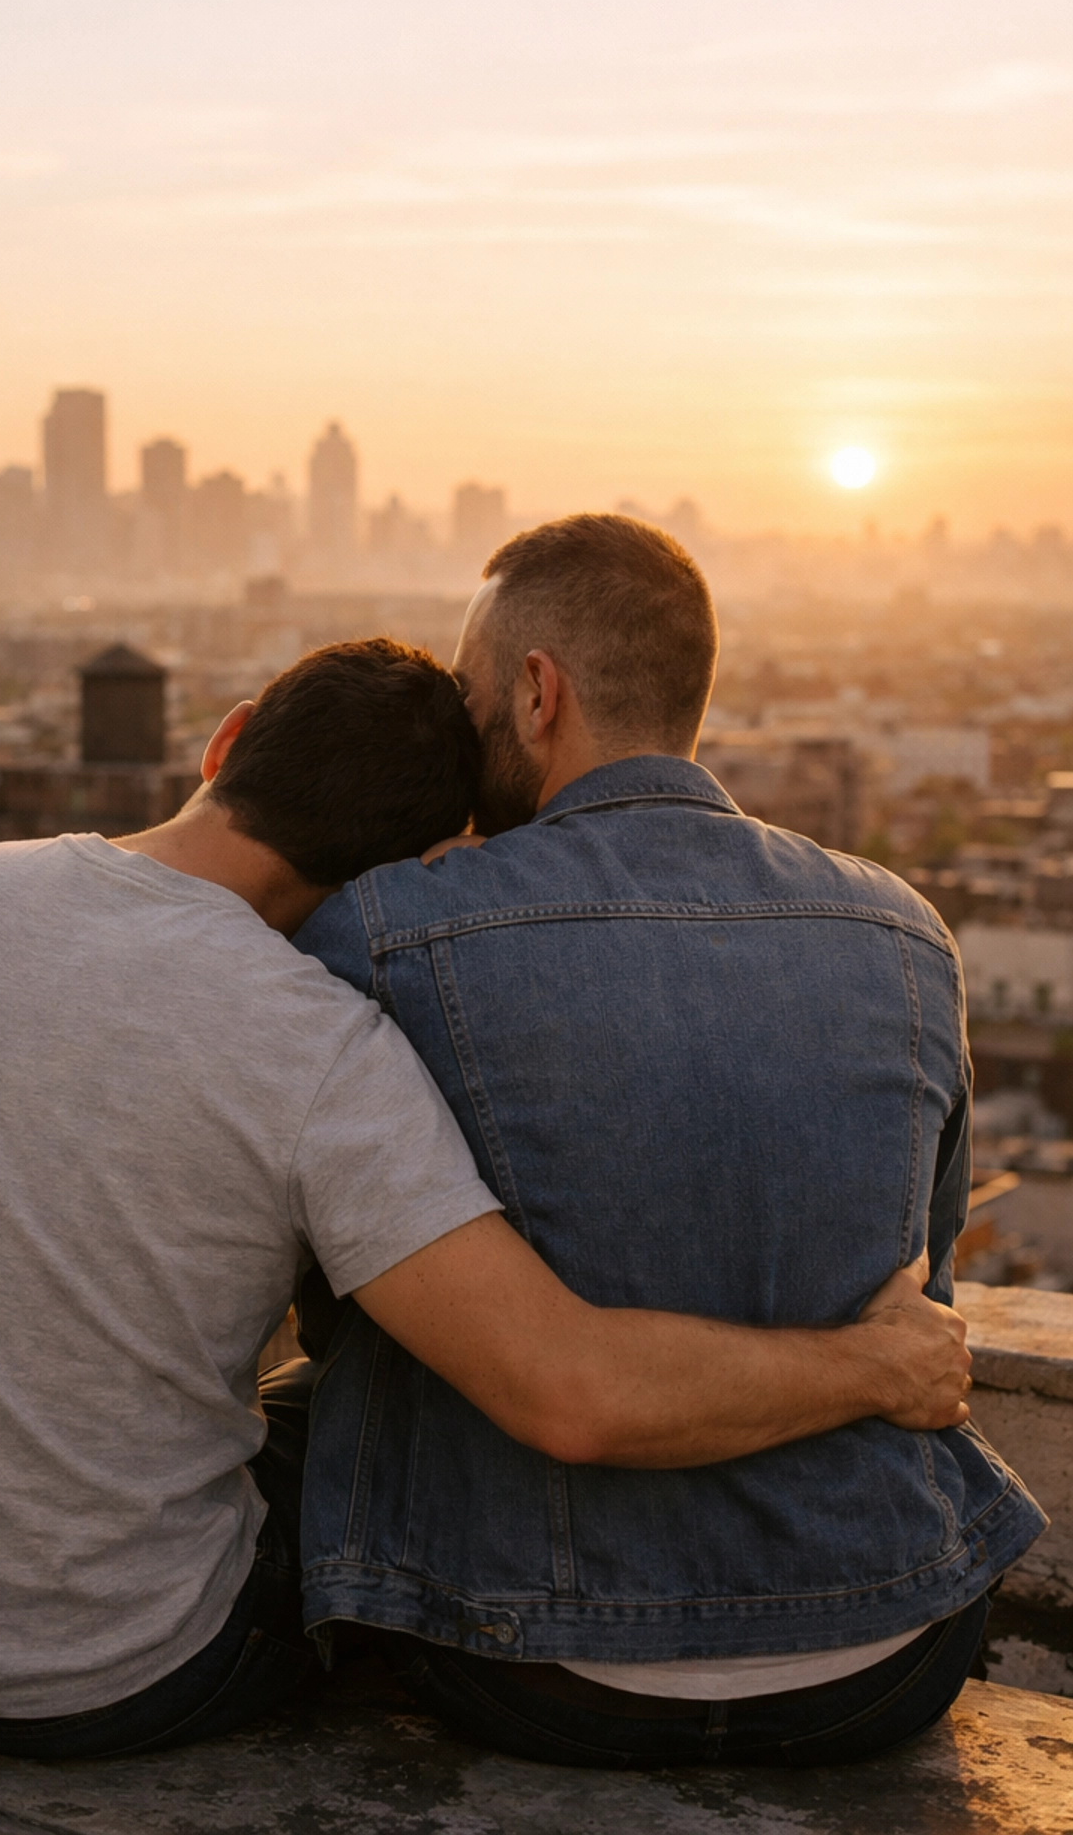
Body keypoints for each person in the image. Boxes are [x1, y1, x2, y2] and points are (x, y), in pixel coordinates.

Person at [0, 635, 969, 1763]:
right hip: (103, 1676)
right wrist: (876, 1367)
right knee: (378, 1400)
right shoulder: (317, 1043)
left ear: (228, 739)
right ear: (419, 864)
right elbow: (567, 1392)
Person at [296, 516, 1043, 1772]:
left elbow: (335, 1298)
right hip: (890, 1647)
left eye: (472, 697)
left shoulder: (388, 935)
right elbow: (921, 1294)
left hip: (536, 1655)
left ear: (537, 693)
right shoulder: (906, 933)